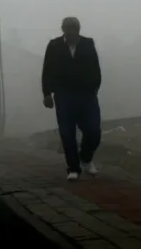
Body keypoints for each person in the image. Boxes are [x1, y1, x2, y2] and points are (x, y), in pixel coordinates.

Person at [41, 16, 102, 181]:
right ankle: (73, 168)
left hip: (86, 95)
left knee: (94, 131)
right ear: (63, 30)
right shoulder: (54, 46)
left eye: (75, 30)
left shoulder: (88, 44)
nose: (72, 33)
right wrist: (47, 93)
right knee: (67, 134)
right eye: (68, 30)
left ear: (79, 30)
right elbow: (47, 70)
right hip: (64, 95)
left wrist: (94, 88)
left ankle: (86, 158)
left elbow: (96, 69)